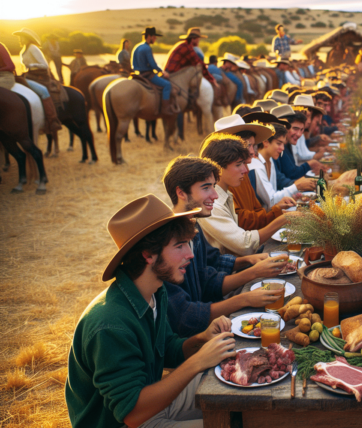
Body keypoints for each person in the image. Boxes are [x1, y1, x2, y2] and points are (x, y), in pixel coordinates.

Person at [65, 194, 236, 428]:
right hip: (128, 420)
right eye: (179, 246)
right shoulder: (110, 325)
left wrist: (202, 339)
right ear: (148, 255)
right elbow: (132, 413)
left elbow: (168, 349)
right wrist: (197, 362)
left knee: (237, 399)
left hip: (154, 404)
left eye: (188, 243)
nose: (191, 254)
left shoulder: (155, 291)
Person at [161, 156, 291, 337]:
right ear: (181, 193)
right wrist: (245, 296)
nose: (215, 195)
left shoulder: (193, 226)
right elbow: (186, 317)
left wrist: (249, 262)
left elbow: (207, 276)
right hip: (191, 341)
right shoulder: (166, 247)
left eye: (214, 187)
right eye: (206, 188)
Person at [197, 133, 286, 256]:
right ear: (217, 168)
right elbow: (245, 246)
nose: (246, 170)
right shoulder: (212, 204)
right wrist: (283, 219)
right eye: (239, 165)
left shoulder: (227, 194)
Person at [253, 123, 316, 209]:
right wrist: (296, 187)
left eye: (283, 144)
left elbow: (274, 194)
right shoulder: (256, 165)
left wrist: (291, 196)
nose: (282, 148)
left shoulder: (271, 160)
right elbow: (271, 201)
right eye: (279, 143)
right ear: (265, 142)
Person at [12, 27, 62, 133]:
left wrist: (31, 65)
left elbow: (44, 65)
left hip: (39, 77)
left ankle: (52, 120)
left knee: (43, 91)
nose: (20, 40)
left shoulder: (33, 48)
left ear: (27, 38)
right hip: (30, 76)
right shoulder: (24, 49)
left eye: (21, 37)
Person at [132, 27, 175, 116]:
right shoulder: (147, 48)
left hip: (138, 74)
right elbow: (153, 65)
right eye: (154, 37)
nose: (155, 39)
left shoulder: (137, 47)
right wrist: (163, 72)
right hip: (148, 75)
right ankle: (165, 108)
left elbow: (133, 63)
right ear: (149, 36)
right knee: (167, 85)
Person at [273, 106, 322, 180]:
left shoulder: (288, 143)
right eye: (295, 129)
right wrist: (309, 164)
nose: (299, 134)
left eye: (302, 130)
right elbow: (291, 174)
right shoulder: (279, 147)